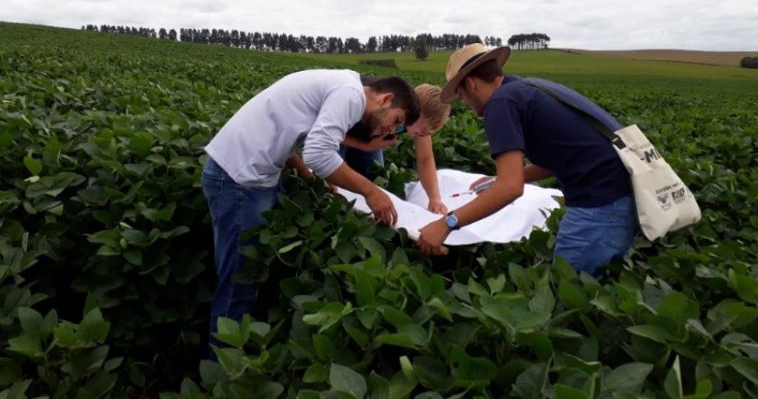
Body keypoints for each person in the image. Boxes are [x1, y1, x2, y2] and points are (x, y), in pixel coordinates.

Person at [202, 69, 420, 341]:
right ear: (386, 98)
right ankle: (222, 368)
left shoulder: (342, 84)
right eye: (396, 120)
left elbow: (289, 128)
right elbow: (319, 153)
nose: (390, 130)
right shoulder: (351, 95)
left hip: (249, 174)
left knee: (252, 270)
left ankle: (242, 346)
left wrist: (305, 172)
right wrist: (371, 192)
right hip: (239, 179)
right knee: (240, 279)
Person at [417, 44, 637, 275]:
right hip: (622, 198)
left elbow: (510, 189)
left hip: (599, 206)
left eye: (461, 96)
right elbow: (559, 158)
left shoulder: (500, 103)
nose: (465, 104)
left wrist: (446, 224)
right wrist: (497, 179)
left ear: (471, 84)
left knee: (570, 291)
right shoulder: (527, 88)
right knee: (595, 289)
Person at [338, 83, 452, 214]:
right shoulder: (380, 106)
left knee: (376, 176)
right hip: (345, 132)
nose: (424, 134)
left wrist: (435, 199)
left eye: (428, 132)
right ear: (414, 110)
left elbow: (425, 159)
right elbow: (331, 134)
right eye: (424, 129)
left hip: (371, 140)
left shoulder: (421, 129)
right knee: (336, 178)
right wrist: (364, 147)